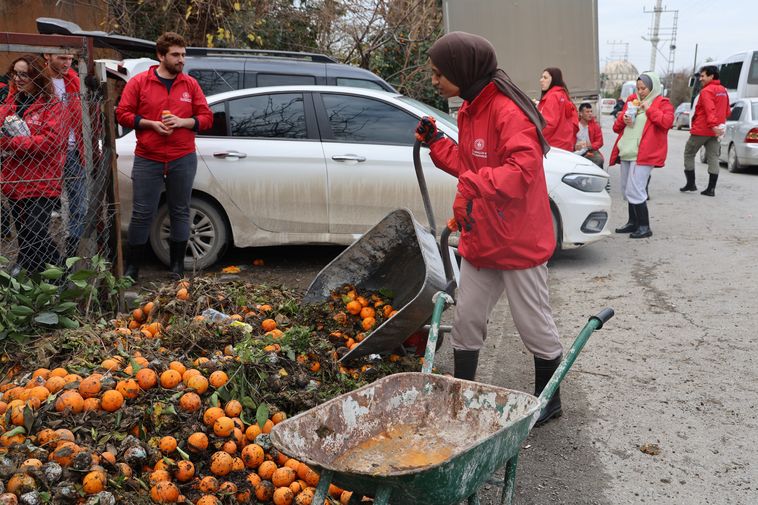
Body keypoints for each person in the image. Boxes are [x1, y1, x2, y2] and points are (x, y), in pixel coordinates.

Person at [416, 31, 563, 425]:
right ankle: (464, 392)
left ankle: (550, 399)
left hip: (518, 242)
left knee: (533, 324)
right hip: (482, 237)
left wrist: (470, 185)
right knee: (467, 320)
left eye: (437, 73)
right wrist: (435, 144)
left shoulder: (507, 111)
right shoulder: (470, 109)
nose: (434, 81)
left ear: (462, 70)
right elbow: (471, 165)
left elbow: (522, 172)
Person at [116, 32, 212, 280]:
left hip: (182, 156)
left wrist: (184, 122)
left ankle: (176, 267)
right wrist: (149, 124)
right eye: (175, 55)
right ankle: (132, 268)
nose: (181, 60)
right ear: (160, 56)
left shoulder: (190, 84)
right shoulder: (139, 83)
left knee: (180, 210)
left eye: (183, 55)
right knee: (142, 212)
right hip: (149, 156)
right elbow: (122, 114)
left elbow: (207, 118)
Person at [0, 55, 66, 273]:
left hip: (41, 180)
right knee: (24, 233)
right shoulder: (11, 102)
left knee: (35, 231)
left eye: (23, 74)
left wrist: (10, 142)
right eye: (15, 73)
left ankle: (60, 277)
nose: (18, 79)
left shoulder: (51, 104)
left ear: (36, 77)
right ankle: (36, 276)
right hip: (15, 179)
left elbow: (49, 142)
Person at [609, 72, 674, 239]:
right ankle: (633, 222)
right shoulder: (632, 101)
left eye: (644, 88)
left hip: (644, 153)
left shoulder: (662, 103)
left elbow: (667, 122)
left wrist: (649, 109)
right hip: (627, 151)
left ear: (652, 87)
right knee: (626, 189)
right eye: (638, 88)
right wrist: (624, 119)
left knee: (636, 189)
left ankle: (644, 226)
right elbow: (616, 128)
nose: (641, 91)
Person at [44, 52, 87, 258]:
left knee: (79, 204)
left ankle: (71, 254)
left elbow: (85, 115)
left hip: (73, 150)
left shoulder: (74, 80)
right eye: (62, 57)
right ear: (47, 55)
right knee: (42, 205)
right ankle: (45, 253)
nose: (67, 63)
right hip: (46, 152)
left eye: (70, 58)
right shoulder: (39, 78)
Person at [680, 65, 730, 197]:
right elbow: (727, 111)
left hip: (702, 129)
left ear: (711, 76)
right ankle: (711, 189)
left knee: (689, 153)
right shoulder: (723, 90)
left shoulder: (706, 91)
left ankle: (691, 184)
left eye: (703, 76)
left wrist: (712, 124)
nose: (701, 79)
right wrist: (718, 126)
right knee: (713, 157)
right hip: (716, 131)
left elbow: (709, 109)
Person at [538, 67, 579, 150]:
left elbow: (548, 124)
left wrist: (533, 136)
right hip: (565, 145)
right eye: (542, 77)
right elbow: (574, 123)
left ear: (554, 79)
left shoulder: (552, 96)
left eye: (545, 78)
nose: (541, 80)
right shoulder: (563, 95)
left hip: (552, 146)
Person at [575, 102, 604, 168]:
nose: (590, 114)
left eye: (591, 111)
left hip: (590, 150)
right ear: (580, 113)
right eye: (587, 112)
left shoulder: (595, 126)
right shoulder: (575, 125)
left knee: (599, 160)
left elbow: (600, 142)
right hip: (575, 151)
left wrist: (591, 146)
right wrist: (574, 146)